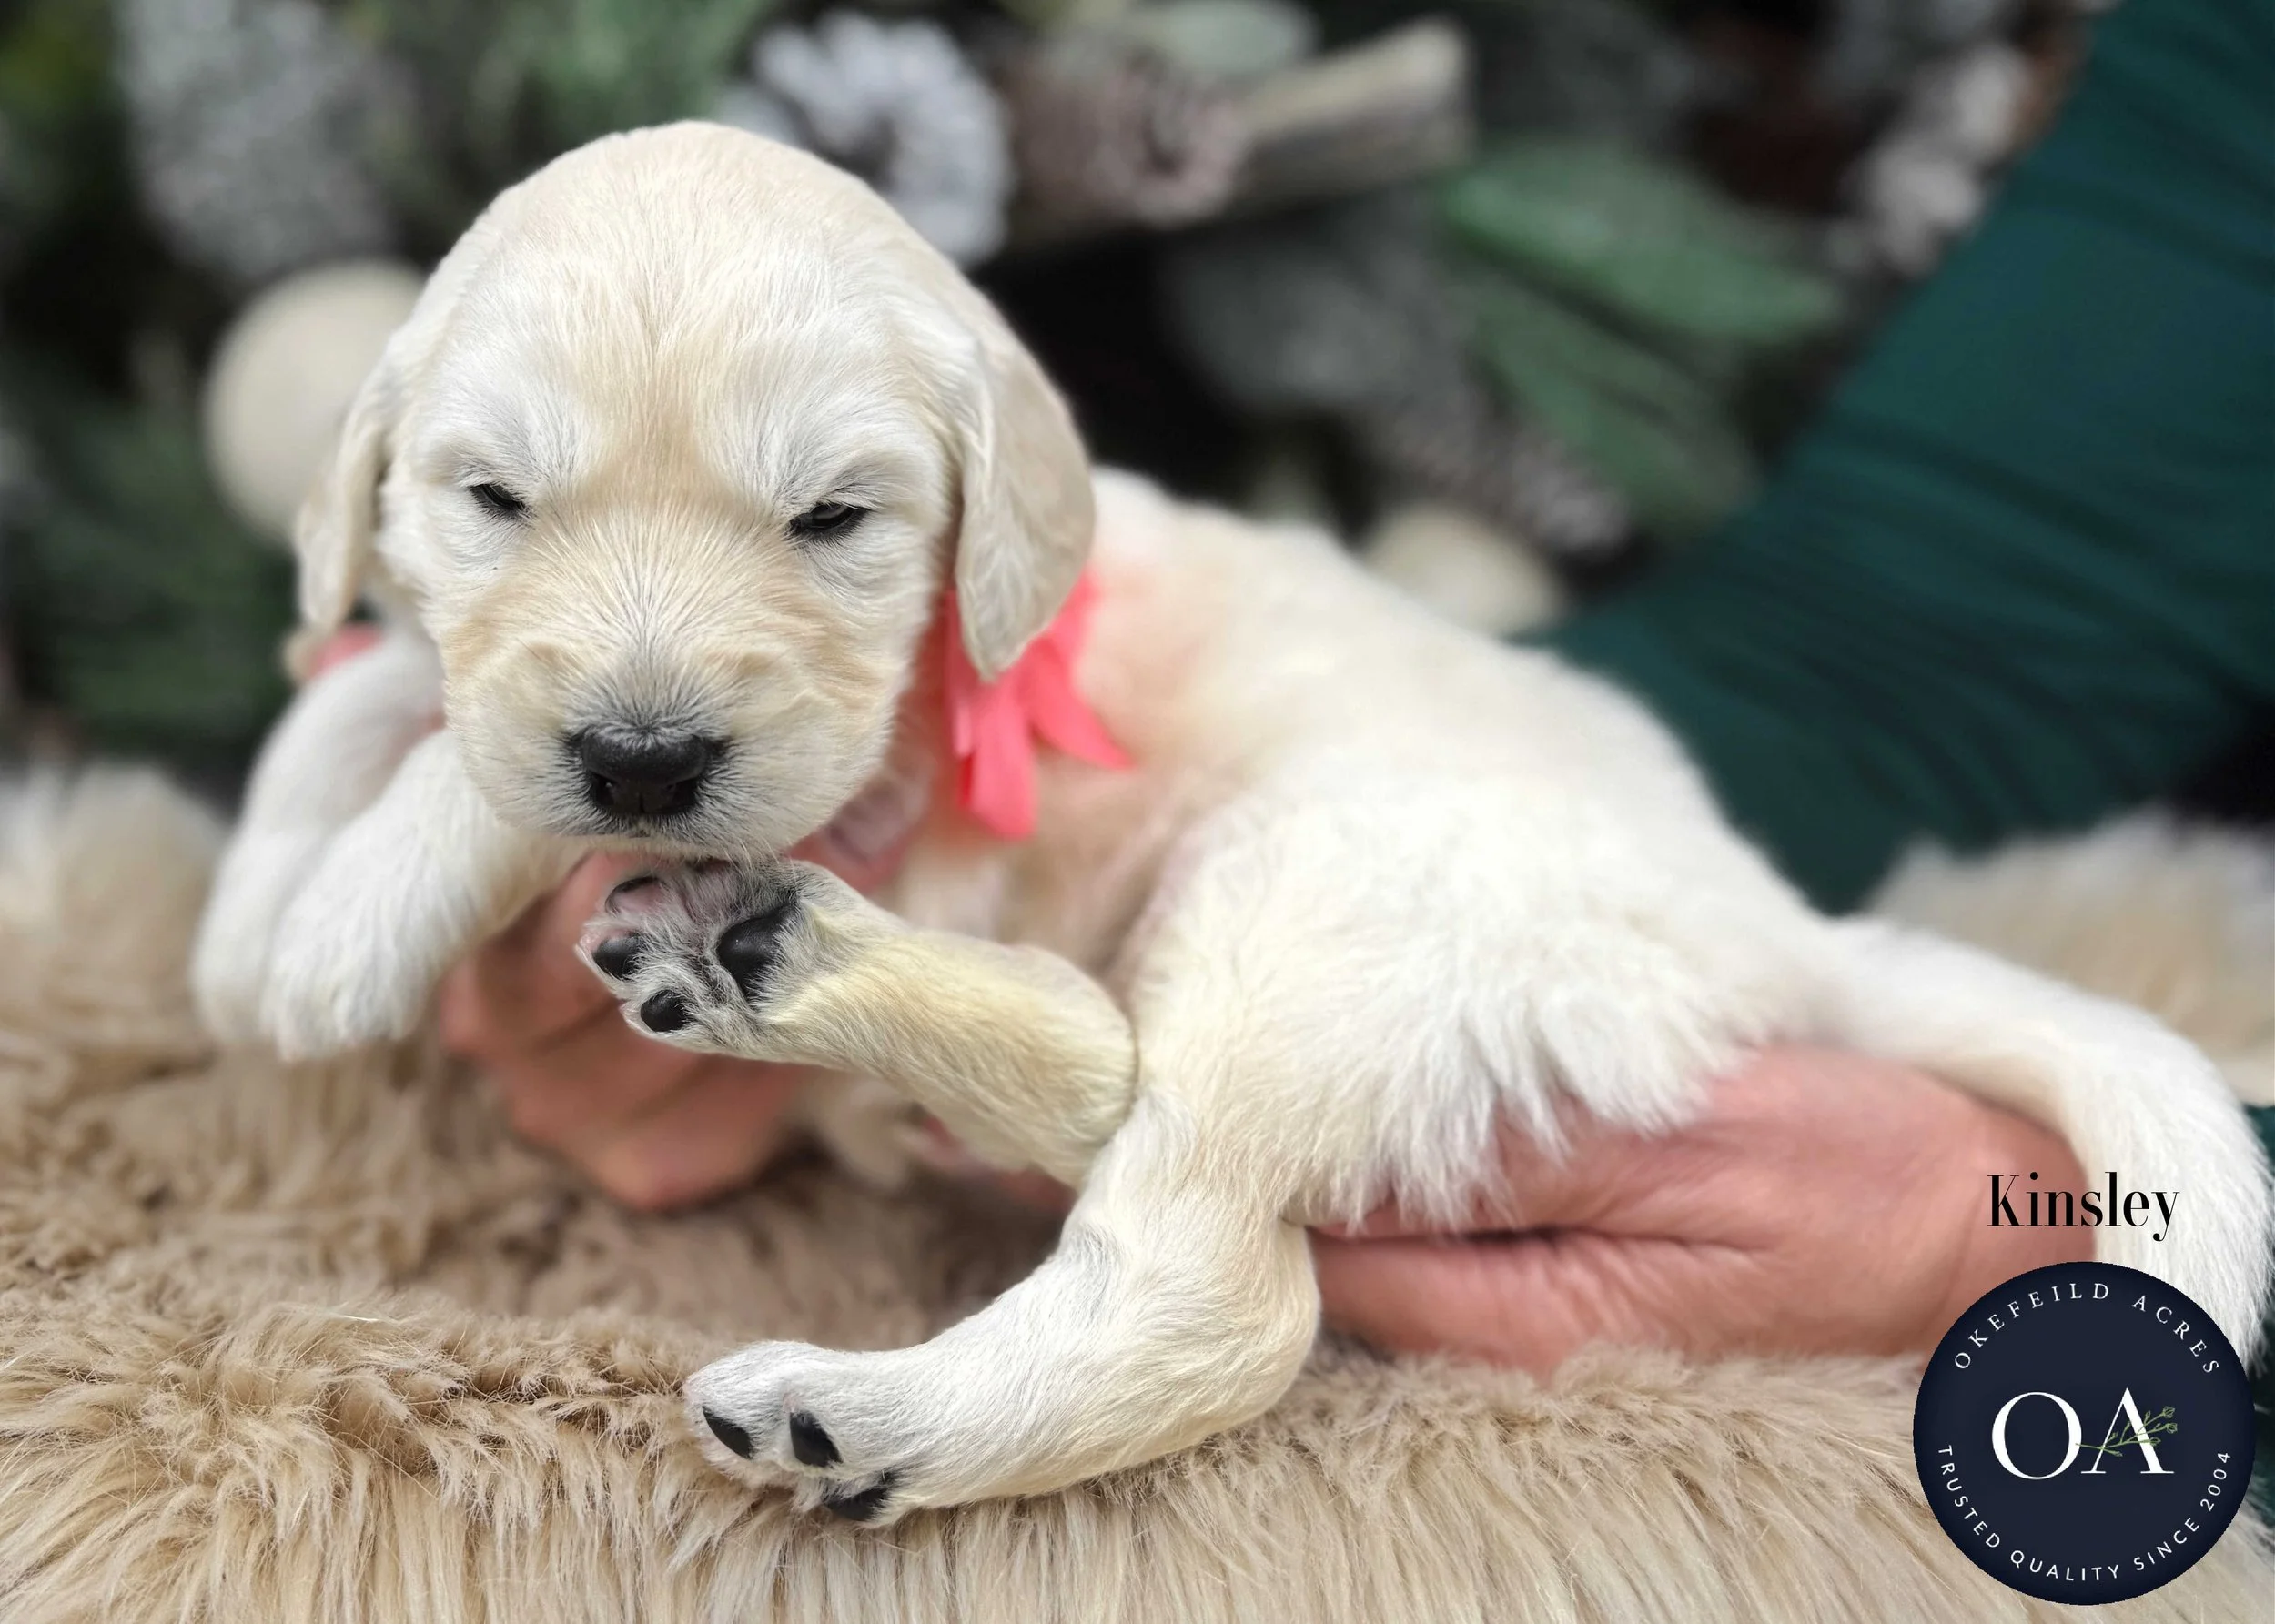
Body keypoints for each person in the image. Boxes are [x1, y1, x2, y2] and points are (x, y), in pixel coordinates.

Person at [342, 0, 2269, 1491]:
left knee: (1314, 922)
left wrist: (1978, 1237)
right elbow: (1937, 632)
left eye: (825, 518)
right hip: (1515, 809)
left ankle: (1152, 1309)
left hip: (1460, 897)